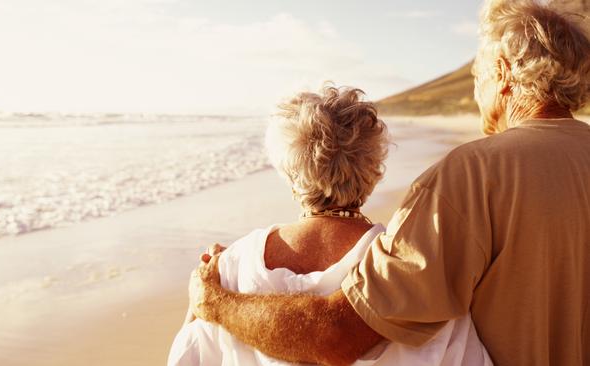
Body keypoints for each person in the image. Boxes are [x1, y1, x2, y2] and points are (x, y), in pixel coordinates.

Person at [187, 0, 590, 365]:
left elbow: (338, 336)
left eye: (476, 75)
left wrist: (217, 304)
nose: (476, 89)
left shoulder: (472, 174)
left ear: (501, 72)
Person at [168, 87, 492, 365]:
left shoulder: (228, 268)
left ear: (288, 173)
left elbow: (187, 358)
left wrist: (199, 303)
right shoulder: (410, 270)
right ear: (373, 172)